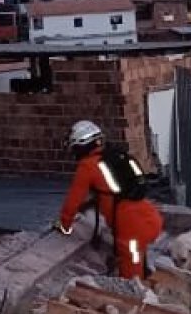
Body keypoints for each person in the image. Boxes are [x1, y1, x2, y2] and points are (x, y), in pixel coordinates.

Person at [56, 120, 164, 280]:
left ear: (81, 146)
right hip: (148, 216)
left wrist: (65, 225)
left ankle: (137, 298)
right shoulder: (114, 156)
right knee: (137, 259)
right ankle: (145, 275)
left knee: (131, 278)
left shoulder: (88, 166)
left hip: (131, 226)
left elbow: (73, 201)